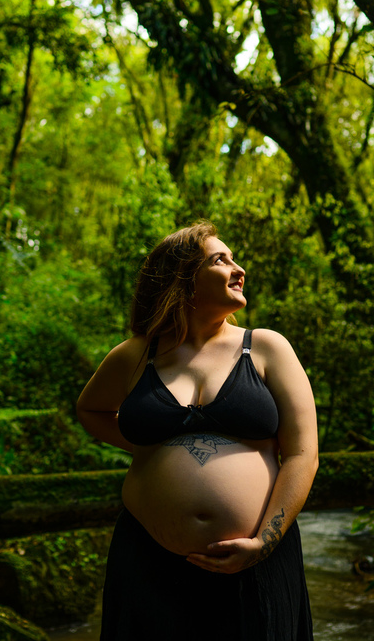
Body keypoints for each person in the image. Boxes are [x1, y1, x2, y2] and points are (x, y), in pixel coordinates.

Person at [77, 221, 318, 641]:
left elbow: (303, 454)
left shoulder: (266, 347)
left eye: (234, 258)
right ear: (182, 278)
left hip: (256, 561)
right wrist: (151, 453)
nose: (238, 268)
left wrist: (264, 542)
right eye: (220, 260)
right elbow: (91, 409)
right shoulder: (136, 354)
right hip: (148, 560)